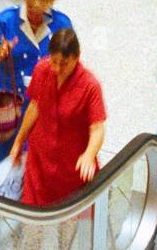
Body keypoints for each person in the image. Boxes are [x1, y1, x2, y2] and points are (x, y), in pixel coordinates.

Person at [0, 0, 73, 167]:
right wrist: (0, 52)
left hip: (43, 100)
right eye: (31, 9)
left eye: (41, 11)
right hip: (9, 100)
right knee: (4, 153)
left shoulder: (62, 23)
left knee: (36, 155)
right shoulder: (6, 18)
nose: (35, 17)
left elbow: (70, 61)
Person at [7, 28, 106, 206]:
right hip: (39, 162)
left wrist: (89, 155)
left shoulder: (90, 86)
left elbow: (97, 128)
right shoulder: (42, 70)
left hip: (71, 169)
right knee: (33, 218)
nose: (58, 68)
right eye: (54, 61)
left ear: (77, 56)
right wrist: (18, 142)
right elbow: (34, 106)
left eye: (65, 63)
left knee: (69, 224)